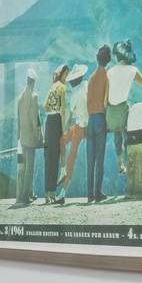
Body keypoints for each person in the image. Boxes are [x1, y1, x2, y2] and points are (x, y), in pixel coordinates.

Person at [105, 40, 142, 184]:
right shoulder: (132, 71)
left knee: (117, 129)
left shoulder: (110, 72)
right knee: (128, 122)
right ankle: (130, 164)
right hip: (123, 112)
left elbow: (106, 97)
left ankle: (120, 162)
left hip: (110, 115)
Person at [56, 63, 89, 201]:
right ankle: (63, 172)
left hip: (81, 127)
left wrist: (65, 129)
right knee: (68, 148)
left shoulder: (75, 96)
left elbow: (70, 118)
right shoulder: (86, 85)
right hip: (87, 124)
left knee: (69, 152)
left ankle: (62, 192)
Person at [85, 45, 111, 202]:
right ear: (107, 59)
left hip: (90, 120)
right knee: (100, 158)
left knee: (90, 159)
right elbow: (106, 102)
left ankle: (89, 195)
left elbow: (88, 101)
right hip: (101, 118)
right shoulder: (106, 77)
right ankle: (98, 193)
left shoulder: (92, 78)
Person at [14, 68, 42, 206]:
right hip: (31, 137)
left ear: (27, 80)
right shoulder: (34, 96)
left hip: (22, 138)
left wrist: (18, 135)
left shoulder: (20, 96)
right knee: (30, 168)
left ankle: (28, 194)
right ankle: (25, 197)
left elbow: (18, 119)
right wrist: (39, 136)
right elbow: (35, 119)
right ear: (34, 81)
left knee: (23, 168)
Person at [42, 63, 68, 204]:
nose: (67, 77)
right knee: (55, 156)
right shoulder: (62, 88)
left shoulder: (52, 87)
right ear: (62, 74)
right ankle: (52, 191)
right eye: (66, 74)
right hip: (57, 120)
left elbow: (45, 106)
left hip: (49, 121)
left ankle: (47, 192)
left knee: (48, 157)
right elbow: (63, 110)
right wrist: (62, 129)